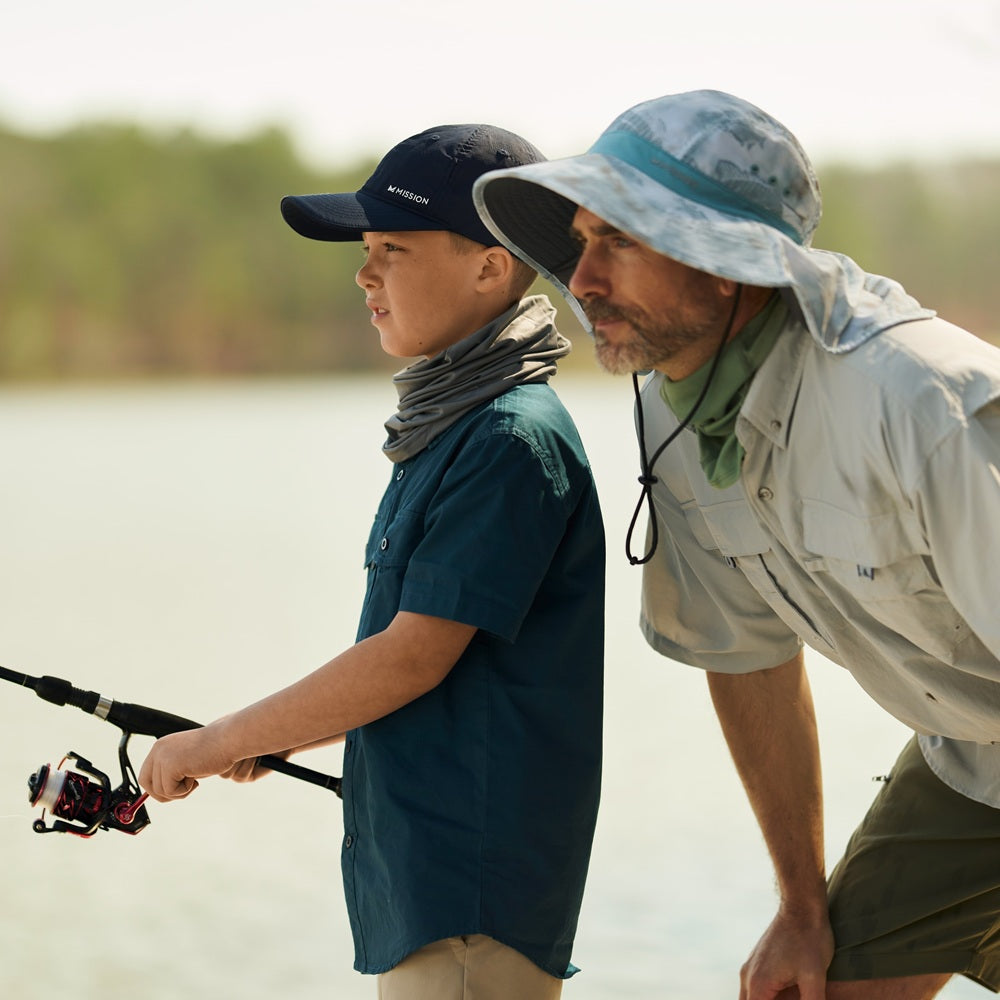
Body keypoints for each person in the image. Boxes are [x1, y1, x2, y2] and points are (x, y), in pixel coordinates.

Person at [472, 90, 1000, 999]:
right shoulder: (671, 408)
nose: (582, 280)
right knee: (806, 987)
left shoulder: (921, 403)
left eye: (620, 242)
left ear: (727, 264)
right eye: (582, 240)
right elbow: (744, 654)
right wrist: (802, 908)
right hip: (973, 752)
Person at [138, 123, 605, 1000]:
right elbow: (423, 668)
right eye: (365, 249)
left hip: (471, 903)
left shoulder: (509, 437)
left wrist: (218, 742)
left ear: (491, 266)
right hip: (423, 889)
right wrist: (265, 738)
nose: (365, 274)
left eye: (393, 247)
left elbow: (411, 657)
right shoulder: (453, 427)